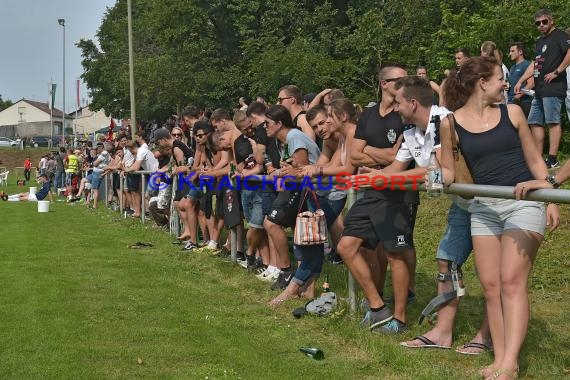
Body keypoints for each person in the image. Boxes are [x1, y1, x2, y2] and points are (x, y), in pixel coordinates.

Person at [440, 56, 559, 380]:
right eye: (499, 79)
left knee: (511, 281)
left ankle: (510, 363)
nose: (506, 84)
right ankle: (500, 359)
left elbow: (535, 161)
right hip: (484, 208)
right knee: (491, 287)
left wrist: (549, 197)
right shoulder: (450, 123)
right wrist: (439, 176)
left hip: (522, 203)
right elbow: (451, 170)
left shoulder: (514, 112)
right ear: (482, 83)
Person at [337, 64, 417, 334]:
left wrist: (368, 152)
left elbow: (399, 159)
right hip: (370, 192)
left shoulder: (407, 113)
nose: (406, 83)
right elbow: (354, 156)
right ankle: (377, 306)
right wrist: (382, 154)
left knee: (395, 254)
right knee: (346, 246)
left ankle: (400, 318)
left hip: (398, 192)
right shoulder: (369, 114)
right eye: (400, 80)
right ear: (384, 84)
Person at [514, 9, 570, 169]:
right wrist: (521, 80)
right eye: (538, 23)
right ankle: (538, 158)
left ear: (552, 21)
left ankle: (552, 158)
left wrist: (557, 71)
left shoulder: (559, 35)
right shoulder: (540, 41)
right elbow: (535, 64)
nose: (541, 25)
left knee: (552, 121)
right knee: (534, 121)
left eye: (544, 21)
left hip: (553, 88)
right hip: (539, 89)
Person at [507, 42, 533, 116]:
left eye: (512, 51)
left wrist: (518, 96)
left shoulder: (527, 64)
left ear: (520, 52)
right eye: (510, 51)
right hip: (511, 102)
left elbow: (531, 84)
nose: (510, 53)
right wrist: (507, 86)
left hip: (524, 102)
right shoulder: (512, 68)